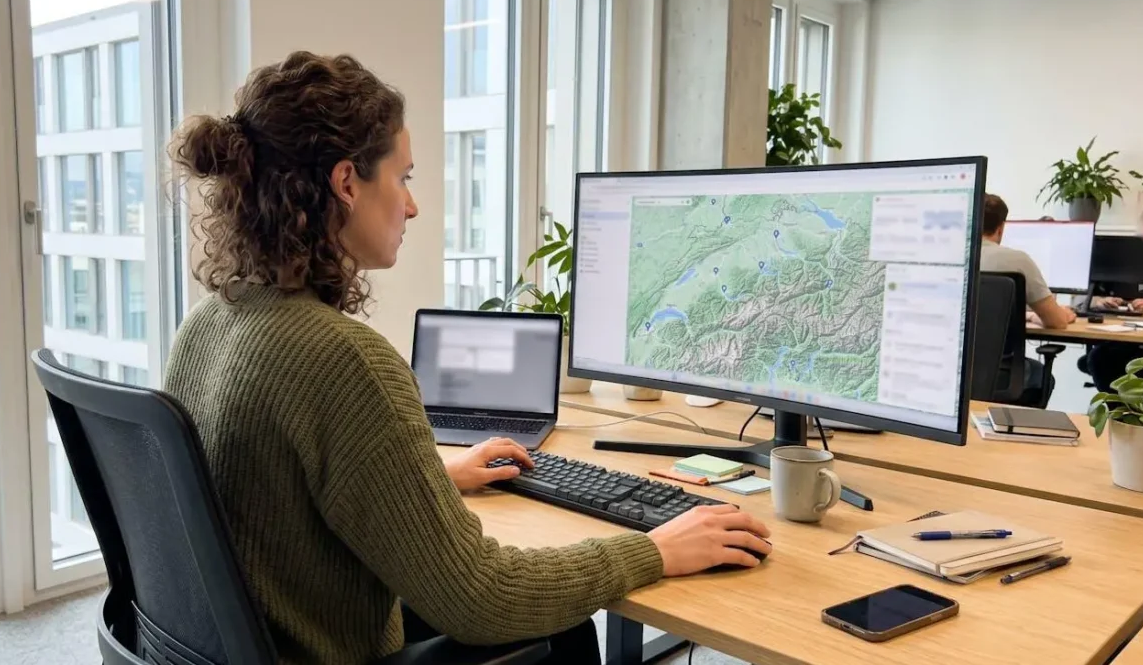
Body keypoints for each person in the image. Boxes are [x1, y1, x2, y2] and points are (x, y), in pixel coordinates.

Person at [161, 51, 772, 664]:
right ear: (346, 184)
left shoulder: (206, 325)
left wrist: (428, 482)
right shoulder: (344, 361)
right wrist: (656, 549)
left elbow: (270, 505)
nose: (412, 206)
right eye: (403, 178)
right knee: (564, 633)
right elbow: (481, 598)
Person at [978, 194, 1074, 402]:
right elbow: (1056, 322)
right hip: (999, 373)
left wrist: (1029, 316)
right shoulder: (1017, 260)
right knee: (1040, 375)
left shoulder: (948, 257)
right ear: (1001, 228)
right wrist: (1063, 314)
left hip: (951, 370)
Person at [1084, 199, 1143, 390]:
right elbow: (1081, 300)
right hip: (1126, 338)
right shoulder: (1123, 255)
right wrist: (1100, 301)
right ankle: (1117, 408)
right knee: (1099, 358)